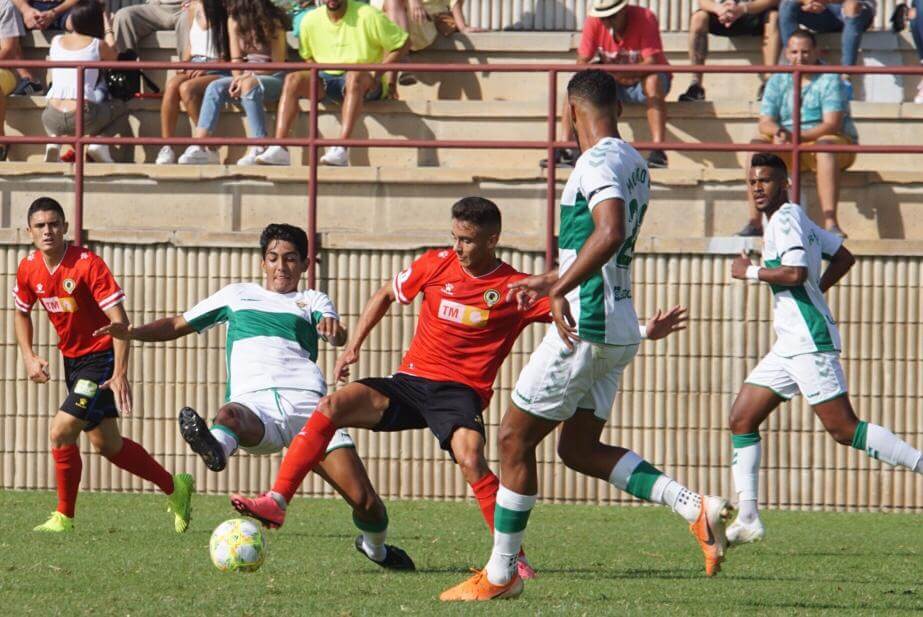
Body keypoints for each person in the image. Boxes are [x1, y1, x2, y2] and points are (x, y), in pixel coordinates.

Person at [440, 70, 728, 602]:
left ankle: (501, 575)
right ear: (616, 106)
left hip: (587, 324)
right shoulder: (634, 161)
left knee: (511, 440)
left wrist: (558, 290)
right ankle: (694, 507)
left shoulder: (595, 162)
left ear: (571, 111)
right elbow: (603, 247)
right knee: (577, 448)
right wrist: (553, 278)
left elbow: (610, 231)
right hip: (616, 326)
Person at [231, 198, 552, 579]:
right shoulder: (435, 264)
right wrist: (354, 346)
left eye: (466, 240)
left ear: (492, 239)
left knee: (471, 459)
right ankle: (277, 500)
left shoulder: (512, 287)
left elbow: (566, 312)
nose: (458, 249)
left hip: (458, 392)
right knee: (333, 406)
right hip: (410, 383)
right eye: (454, 237)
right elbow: (386, 293)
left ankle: (513, 556)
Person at [95, 223, 414, 570]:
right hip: (255, 405)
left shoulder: (312, 300)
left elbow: (335, 332)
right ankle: (216, 447)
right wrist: (132, 332)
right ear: (263, 263)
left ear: (305, 264)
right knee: (228, 415)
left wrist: (333, 331)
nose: (282, 267)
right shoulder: (236, 296)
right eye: (274, 258)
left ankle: (376, 549)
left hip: (312, 410)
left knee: (366, 503)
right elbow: (177, 324)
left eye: (291, 259)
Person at [725, 154, 923, 545]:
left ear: (784, 184)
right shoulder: (793, 217)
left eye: (765, 181)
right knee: (741, 419)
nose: (757, 188)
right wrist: (816, 293)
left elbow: (796, 274)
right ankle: (747, 517)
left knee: (845, 430)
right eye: (752, 182)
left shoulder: (785, 218)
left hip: (808, 342)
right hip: (790, 343)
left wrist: (748, 272)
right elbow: (844, 257)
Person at [13, 197, 194, 534]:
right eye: (40, 226)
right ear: (29, 231)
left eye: (54, 224)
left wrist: (119, 373)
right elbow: (21, 311)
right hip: (73, 361)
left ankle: (64, 517)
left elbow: (120, 322)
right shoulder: (28, 268)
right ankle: (175, 487)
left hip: (100, 358)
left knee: (60, 430)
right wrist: (28, 354)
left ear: (66, 227)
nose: (48, 231)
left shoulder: (87, 264)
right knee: (108, 445)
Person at [254, 0, 409, 167]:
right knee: (293, 79)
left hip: (365, 81)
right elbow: (307, 55)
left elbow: (403, 43)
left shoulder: (368, 15)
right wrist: (316, 75)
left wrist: (378, 73)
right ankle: (279, 147)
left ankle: (341, 147)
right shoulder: (311, 20)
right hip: (327, 79)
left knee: (354, 75)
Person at [738, 31, 857, 238]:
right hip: (789, 142)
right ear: (786, 53)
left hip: (825, 141)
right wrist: (779, 132)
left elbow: (832, 124)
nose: (799, 57)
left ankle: (831, 224)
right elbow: (765, 122)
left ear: (816, 52)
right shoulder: (778, 79)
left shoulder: (830, 78)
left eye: (805, 52)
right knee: (755, 148)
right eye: (794, 52)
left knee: (826, 147)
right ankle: (755, 222)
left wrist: (796, 138)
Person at [544, 0, 670, 170]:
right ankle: (565, 148)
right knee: (576, 84)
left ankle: (658, 150)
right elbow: (582, 62)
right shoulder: (594, 21)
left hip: (642, 80)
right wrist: (610, 73)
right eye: (602, 17)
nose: (606, 21)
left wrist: (615, 72)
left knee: (653, 80)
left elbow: (652, 62)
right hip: (614, 81)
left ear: (624, 10)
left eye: (611, 16)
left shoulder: (645, 17)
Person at [177, 0, 288, 165]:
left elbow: (277, 64)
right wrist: (237, 78)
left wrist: (246, 77)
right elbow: (236, 60)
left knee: (248, 85)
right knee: (215, 86)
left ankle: (260, 144)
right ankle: (201, 145)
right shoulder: (233, 20)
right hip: (245, 75)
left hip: (273, 76)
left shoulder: (273, 22)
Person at [41, 0, 126, 164]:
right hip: (82, 116)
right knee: (121, 108)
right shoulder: (97, 44)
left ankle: (54, 140)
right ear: (96, 22)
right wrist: (108, 28)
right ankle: (98, 144)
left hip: (50, 116)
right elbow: (114, 55)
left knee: (65, 117)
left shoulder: (56, 40)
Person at [154, 0, 229, 165]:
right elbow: (190, 45)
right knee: (173, 84)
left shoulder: (225, 9)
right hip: (196, 63)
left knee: (187, 88)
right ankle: (167, 147)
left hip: (219, 67)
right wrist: (184, 63)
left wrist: (208, 66)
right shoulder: (191, 9)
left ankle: (207, 146)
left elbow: (231, 54)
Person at [679, 0, 780, 102]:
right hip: (722, 14)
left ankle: (769, 82)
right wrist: (718, 9)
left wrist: (743, 9)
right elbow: (703, 2)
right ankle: (696, 85)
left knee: (773, 17)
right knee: (698, 18)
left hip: (753, 12)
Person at [373, 0, 481, 86]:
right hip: (390, 21)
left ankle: (400, 64)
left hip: (422, 21)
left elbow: (454, 3)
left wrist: (462, 27)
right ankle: (401, 63)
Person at [778, 0, 875, 97]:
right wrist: (808, 1)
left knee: (852, 5)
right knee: (787, 3)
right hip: (824, 11)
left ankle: (846, 79)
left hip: (856, 8)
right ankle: (793, 70)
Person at [111, 0, 188, 58]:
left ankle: (188, 71)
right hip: (156, 7)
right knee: (123, 16)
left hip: (186, 8)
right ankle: (124, 72)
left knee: (188, 19)